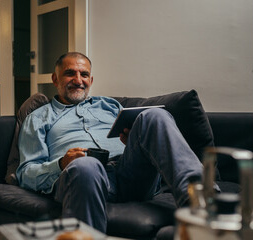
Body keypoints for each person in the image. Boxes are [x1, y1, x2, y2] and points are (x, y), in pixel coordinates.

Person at [16, 52, 206, 233]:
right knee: (86, 164)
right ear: (55, 79)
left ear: (90, 81)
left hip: (129, 172)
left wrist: (132, 139)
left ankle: (202, 202)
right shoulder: (38, 118)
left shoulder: (109, 105)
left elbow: (136, 133)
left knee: (155, 115)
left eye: (84, 74)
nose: (78, 80)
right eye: (69, 73)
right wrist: (60, 164)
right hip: (82, 176)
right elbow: (26, 173)